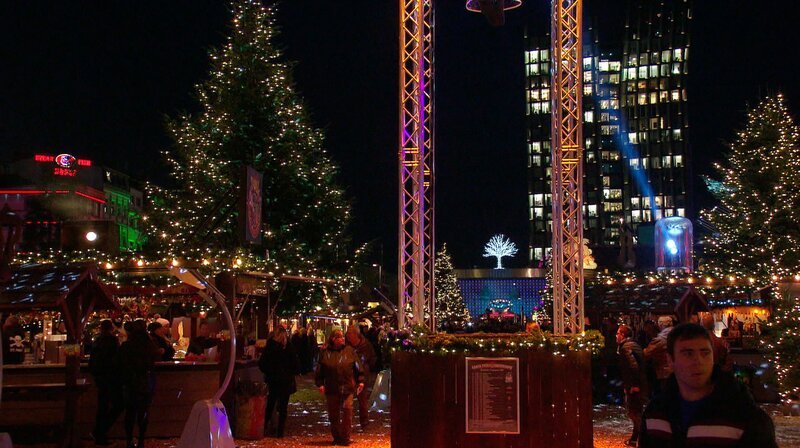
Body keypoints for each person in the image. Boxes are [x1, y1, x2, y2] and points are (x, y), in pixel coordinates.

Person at [639, 323, 777, 447]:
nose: (698, 361)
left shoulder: (742, 414)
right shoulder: (656, 413)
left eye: (705, 353)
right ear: (670, 360)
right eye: (688, 354)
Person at [316, 329, 365, 446]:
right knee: (334, 414)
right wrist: (320, 383)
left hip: (347, 386)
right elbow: (320, 369)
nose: (342, 339)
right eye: (340, 337)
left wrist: (361, 380)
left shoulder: (349, 351)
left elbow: (357, 366)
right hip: (332, 387)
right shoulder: (325, 352)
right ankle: (337, 436)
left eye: (343, 337)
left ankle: (345, 437)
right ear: (334, 339)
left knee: (347, 411)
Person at [117, 320, 161, 448]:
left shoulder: (126, 346)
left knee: (130, 413)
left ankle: (129, 440)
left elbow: (119, 363)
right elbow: (156, 357)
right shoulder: (149, 345)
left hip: (130, 383)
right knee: (143, 412)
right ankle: (141, 439)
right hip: (146, 382)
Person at [258, 325, 299, 438]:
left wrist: (269, 372)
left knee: (271, 404)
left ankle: (264, 428)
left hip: (274, 380)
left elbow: (262, 364)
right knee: (282, 407)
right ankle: (279, 432)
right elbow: (296, 364)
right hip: (284, 380)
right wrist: (289, 372)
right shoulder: (287, 347)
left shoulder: (271, 346)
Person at [89, 320, 124, 446]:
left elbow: (93, 361)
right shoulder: (112, 341)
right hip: (111, 378)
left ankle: (99, 433)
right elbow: (117, 359)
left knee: (103, 406)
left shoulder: (97, 341)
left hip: (100, 377)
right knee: (118, 404)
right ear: (111, 328)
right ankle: (100, 432)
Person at [616, 325, 648, 447]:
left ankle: (638, 439)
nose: (616, 336)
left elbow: (633, 366)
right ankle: (636, 438)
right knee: (636, 412)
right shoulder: (633, 345)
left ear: (622, 335)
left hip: (636, 385)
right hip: (639, 383)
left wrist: (634, 385)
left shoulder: (626, 347)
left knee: (635, 413)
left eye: (618, 333)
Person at [345, 324, 378, 430]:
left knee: (362, 399)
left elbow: (372, 358)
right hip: (349, 375)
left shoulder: (366, 345)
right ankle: (346, 423)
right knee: (347, 400)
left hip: (362, 376)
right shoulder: (346, 345)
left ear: (356, 334)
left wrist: (366, 367)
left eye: (349, 333)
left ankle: (364, 422)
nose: (348, 335)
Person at [644, 316, 674, 397]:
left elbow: (647, 353)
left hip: (664, 372)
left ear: (660, 325)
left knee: (665, 395)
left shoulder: (660, 339)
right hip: (677, 371)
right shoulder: (678, 335)